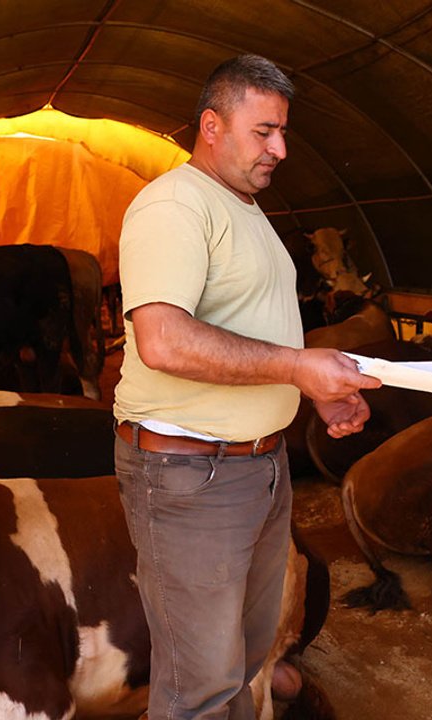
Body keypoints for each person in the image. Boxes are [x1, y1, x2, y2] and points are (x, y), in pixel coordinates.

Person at [112, 55, 380, 720]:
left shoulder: (247, 212)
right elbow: (164, 340)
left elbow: (253, 330)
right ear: (212, 126)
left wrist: (310, 389)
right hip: (190, 474)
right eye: (265, 132)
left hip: (258, 467)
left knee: (246, 658)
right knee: (199, 683)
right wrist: (296, 368)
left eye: (283, 131)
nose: (281, 149)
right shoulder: (175, 205)